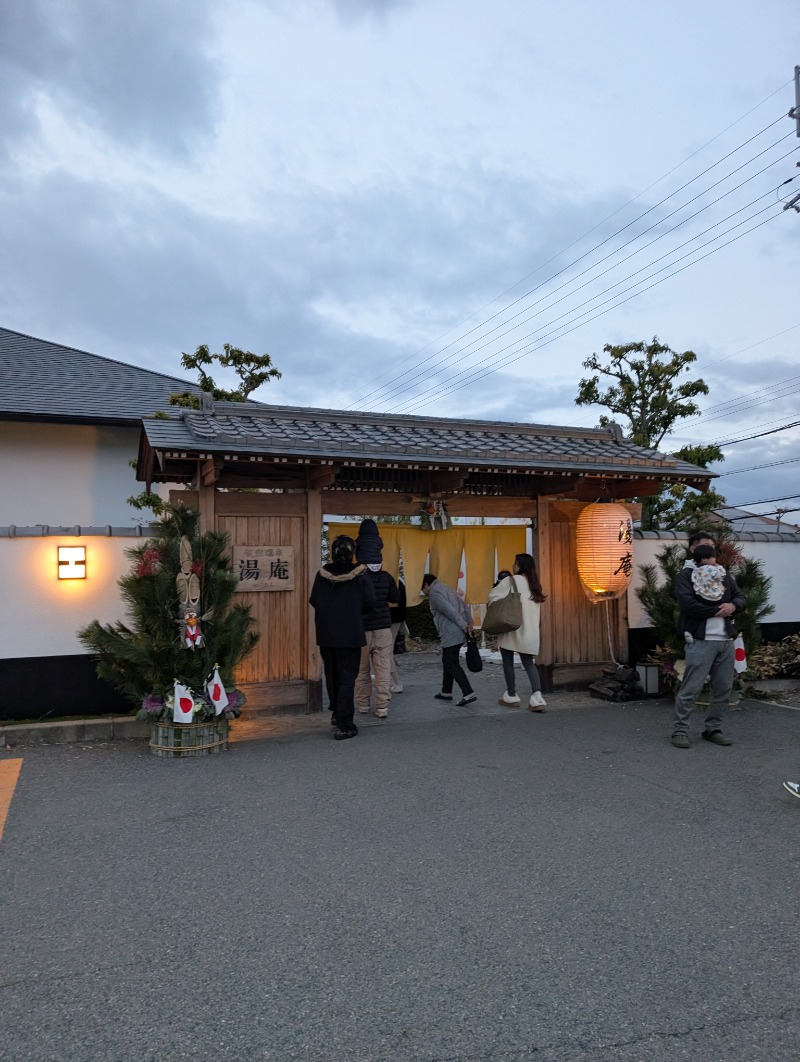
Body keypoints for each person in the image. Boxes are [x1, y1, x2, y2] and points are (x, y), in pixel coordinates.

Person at [671, 542, 746, 749]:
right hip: (700, 640)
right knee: (691, 687)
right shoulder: (686, 575)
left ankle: (713, 728)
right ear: (694, 551)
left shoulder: (723, 574)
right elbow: (687, 604)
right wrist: (716, 610)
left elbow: (740, 597)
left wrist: (733, 605)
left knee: (723, 688)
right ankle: (680, 730)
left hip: (725, 640)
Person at [309, 535, 375, 741]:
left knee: (333, 676)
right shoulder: (361, 574)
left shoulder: (322, 575)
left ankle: (337, 715)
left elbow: (314, 601)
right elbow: (370, 603)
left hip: (327, 634)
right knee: (347, 678)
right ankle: (345, 724)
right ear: (352, 553)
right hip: (350, 634)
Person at [487, 554, 547, 712]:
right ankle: (537, 697)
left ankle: (512, 695)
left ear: (520, 565)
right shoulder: (535, 585)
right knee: (528, 663)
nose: (513, 566)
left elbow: (492, 597)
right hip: (529, 632)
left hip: (511, 628)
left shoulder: (510, 581)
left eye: (515, 563)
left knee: (507, 661)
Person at [353, 519, 399, 720]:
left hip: (361, 630)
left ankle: (363, 705)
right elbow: (396, 598)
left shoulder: (355, 577)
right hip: (382, 629)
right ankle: (382, 707)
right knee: (383, 669)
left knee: (361, 670)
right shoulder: (386, 577)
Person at [421, 572, 476, 706]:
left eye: (422, 588)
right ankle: (446, 691)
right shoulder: (447, 588)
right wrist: (469, 622)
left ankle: (468, 692)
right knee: (448, 661)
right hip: (458, 629)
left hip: (451, 631)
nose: (423, 592)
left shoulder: (434, 593)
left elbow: (448, 611)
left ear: (426, 585)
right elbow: (463, 604)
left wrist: (464, 626)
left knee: (451, 662)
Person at [388, 578, 407, 693]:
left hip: (387, 620)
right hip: (396, 619)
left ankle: (396, 682)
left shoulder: (387, 578)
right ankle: (392, 680)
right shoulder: (398, 580)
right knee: (386, 651)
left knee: (386, 652)